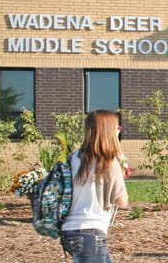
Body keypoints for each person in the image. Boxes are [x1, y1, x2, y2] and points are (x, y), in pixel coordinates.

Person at [61, 110, 130, 262]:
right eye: (117, 128)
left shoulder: (73, 158)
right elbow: (122, 201)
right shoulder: (110, 162)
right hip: (91, 233)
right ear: (110, 132)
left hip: (69, 230)